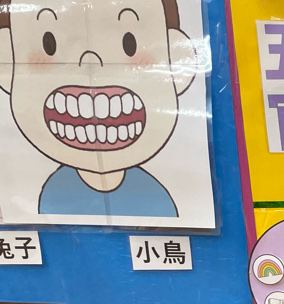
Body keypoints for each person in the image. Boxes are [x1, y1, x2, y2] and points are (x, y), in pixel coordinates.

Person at [0, 0, 197, 217]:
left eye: (130, 44)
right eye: (49, 44)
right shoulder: (51, 192)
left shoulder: (157, 198)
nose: (90, 61)